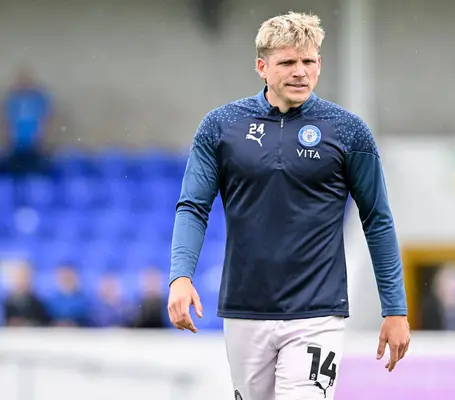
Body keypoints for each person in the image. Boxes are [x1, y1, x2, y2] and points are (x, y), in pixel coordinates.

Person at [167, 11, 410, 400]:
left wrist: (394, 308)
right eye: (288, 62)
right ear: (262, 66)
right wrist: (180, 276)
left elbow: (377, 220)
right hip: (245, 310)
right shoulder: (221, 126)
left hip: (318, 312)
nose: (300, 72)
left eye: (309, 61)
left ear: (319, 63)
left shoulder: (348, 131)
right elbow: (193, 207)